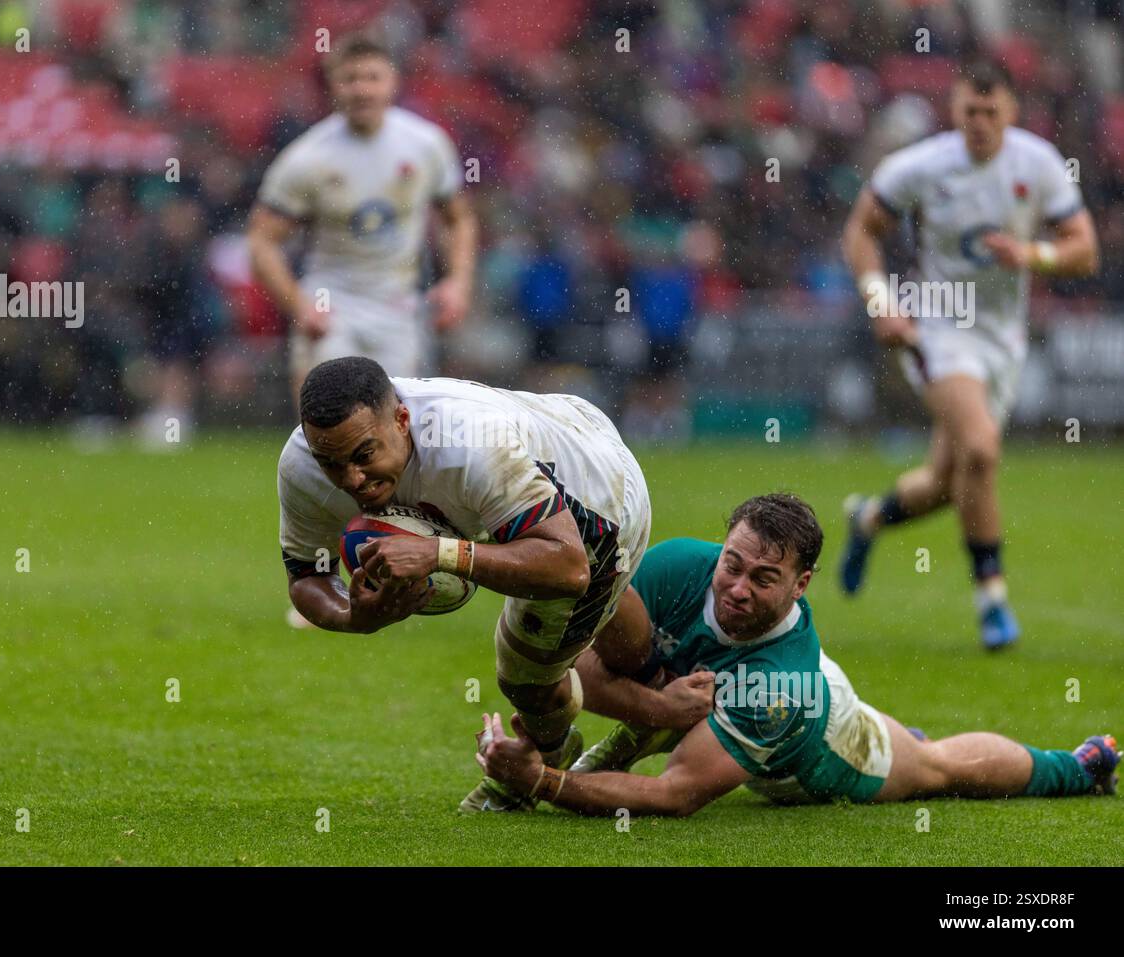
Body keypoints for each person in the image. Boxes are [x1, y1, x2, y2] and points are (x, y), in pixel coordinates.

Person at [476, 494, 1118, 816]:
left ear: (800, 585)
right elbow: (583, 662)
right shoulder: (676, 566)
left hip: (820, 738)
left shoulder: (782, 690)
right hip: (722, 699)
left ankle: (1080, 767)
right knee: (652, 668)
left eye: (763, 579)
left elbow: (673, 795)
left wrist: (542, 781)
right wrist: (653, 703)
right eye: (732, 565)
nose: (736, 589)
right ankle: (649, 723)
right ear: (721, 546)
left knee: (939, 768)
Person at [278, 356, 654, 813]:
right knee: (582, 608)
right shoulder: (301, 464)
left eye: (363, 456)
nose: (351, 479)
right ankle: (658, 682)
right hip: (546, 430)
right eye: (331, 464)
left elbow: (569, 567)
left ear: (402, 420)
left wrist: (441, 554)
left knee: (524, 673)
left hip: (597, 500)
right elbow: (306, 575)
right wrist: (355, 617)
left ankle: (541, 757)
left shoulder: (468, 444)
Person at [839, 60, 1099, 649]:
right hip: (938, 323)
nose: (979, 123)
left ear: (1011, 112)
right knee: (981, 450)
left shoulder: (1038, 164)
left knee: (948, 480)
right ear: (954, 112)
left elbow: (1085, 251)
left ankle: (869, 518)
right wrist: (881, 301)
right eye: (968, 112)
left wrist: (1034, 256)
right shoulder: (920, 166)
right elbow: (861, 231)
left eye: (990, 112)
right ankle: (993, 601)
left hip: (1003, 339)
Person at [248, 34, 477, 405]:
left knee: (402, 429)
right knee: (326, 420)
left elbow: (458, 218)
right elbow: (262, 239)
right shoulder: (307, 158)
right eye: (350, 79)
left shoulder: (426, 145)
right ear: (333, 86)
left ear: (393, 82)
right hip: (332, 304)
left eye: (372, 78)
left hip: (400, 307)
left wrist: (458, 284)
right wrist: (299, 304)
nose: (362, 89)